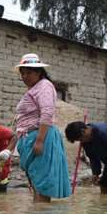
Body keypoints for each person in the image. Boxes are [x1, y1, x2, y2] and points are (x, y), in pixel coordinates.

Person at [13, 53, 71, 202]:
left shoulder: (44, 86)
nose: (25, 76)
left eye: (29, 72)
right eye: (23, 73)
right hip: (31, 138)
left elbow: (47, 113)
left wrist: (39, 140)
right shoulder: (34, 89)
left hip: (40, 137)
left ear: (39, 72)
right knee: (36, 180)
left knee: (41, 182)